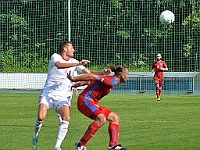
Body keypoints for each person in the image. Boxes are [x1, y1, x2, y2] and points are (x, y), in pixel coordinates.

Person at [30, 41, 111, 150]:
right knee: (40, 117)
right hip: (48, 93)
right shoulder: (55, 57)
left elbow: (88, 72)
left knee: (66, 118)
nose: (73, 50)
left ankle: (57, 146)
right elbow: (59, 65)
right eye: (71, 48)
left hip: (63, 96)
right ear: (65, 50)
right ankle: (35, 136)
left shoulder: (74, 61)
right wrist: (77, 64)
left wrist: (103, 73)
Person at [67, 65, 128, 150]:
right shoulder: (110, 81)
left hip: (91, 102)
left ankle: (113, 146)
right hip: (84, 100)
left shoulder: (111, 81)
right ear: (122, 76)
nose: (127, 76)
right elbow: (90, 75)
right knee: (101, 119)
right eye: (127, 74)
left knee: (115, 118)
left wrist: (78, 84)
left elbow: (90, 81)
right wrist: (74, 79)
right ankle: (81, 144)